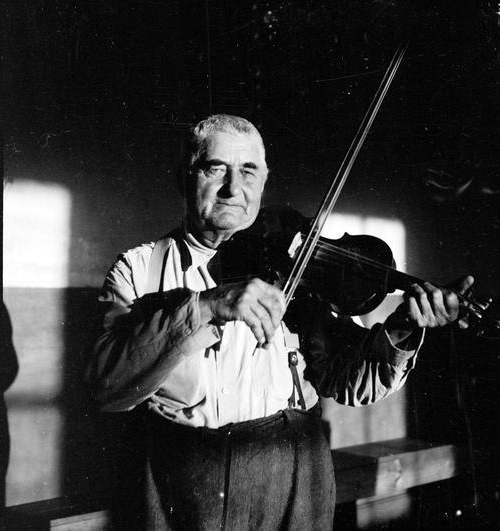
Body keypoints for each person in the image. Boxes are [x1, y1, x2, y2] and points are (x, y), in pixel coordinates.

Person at [85, 114, 472, 530]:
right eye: (216, 168)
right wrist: (205, 307)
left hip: (295, 489)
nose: (234, 188)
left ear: (264, 181)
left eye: (248, 171)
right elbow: (106, 387)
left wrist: (404, 327)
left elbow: (348, 379)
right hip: (186, 496)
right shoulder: (138, 270)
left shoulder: (295, 274)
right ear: (185, 177)